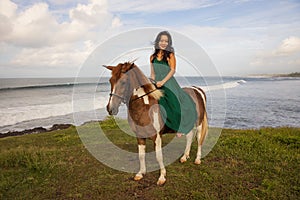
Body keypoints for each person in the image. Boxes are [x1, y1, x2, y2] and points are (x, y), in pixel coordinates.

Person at [150, 31, 197, 136]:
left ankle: (179, 126)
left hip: (168, 81)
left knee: (174, 102)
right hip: (156, 82)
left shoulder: (170, 55)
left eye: (166, 41)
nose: (164, 43)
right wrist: (152, 82)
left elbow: (172, 70)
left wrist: (162, 82)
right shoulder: (152, 57)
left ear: (169, 43)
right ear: (158, 41)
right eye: (162, 40)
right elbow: (153, 73)